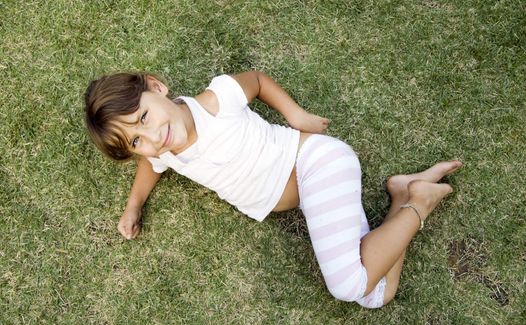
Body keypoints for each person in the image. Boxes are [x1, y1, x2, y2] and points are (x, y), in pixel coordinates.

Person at [84, 71, 462, 308]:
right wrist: (133, 206)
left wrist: (295, 115)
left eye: (144, 118)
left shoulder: (215, 102)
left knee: (349, 286)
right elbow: (152, 166)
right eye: (136, 141)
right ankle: (403, 194)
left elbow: (258, 81)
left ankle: (418, 205)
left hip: (318, 163)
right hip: (312, 192)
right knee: (375, 294)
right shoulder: (165, 152)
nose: (152, 136)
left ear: (156, 87)